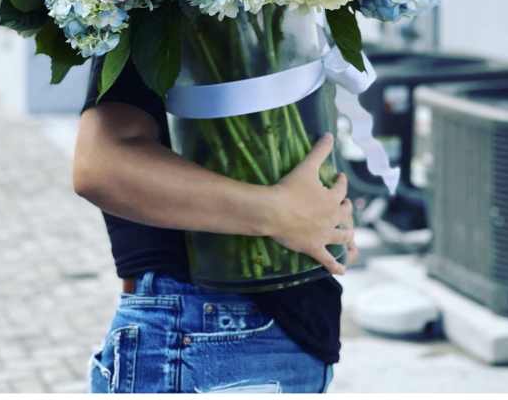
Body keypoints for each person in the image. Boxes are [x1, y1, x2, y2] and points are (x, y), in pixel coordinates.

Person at [74, 57, 357, 394]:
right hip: (209, 330)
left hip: (261, 335)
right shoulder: (152, 23)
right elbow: (100, 167)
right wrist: (279, 212)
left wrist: (324, 218)